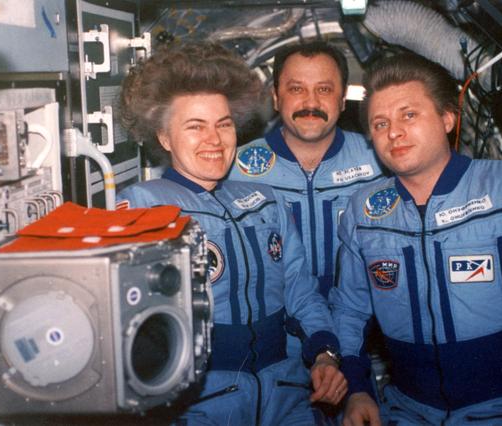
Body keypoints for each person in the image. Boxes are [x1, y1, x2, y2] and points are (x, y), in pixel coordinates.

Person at [331, 52, 502, 426]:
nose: (393, 132)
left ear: (447, 118)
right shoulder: (364, 211)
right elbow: (349, 311)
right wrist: (357, 390)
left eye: (409, 115)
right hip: (406, 409)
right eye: (380, 123)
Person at [117, 41, 347, 425]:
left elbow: (300, 291)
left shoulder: (265, 200)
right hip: (200, 402)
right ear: (164, 137)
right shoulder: (143, 207)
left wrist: (325, 354)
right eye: (195, 126)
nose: (215, 139)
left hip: (287, 392)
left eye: (223, 124)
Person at [228, 41, 385, 301]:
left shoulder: (380, 161)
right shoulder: (234, 168)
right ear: (276, 98)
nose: (311, 102)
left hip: (363, 315)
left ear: (343, 99)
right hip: (274, 316)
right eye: (296, 89)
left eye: (324, 89)